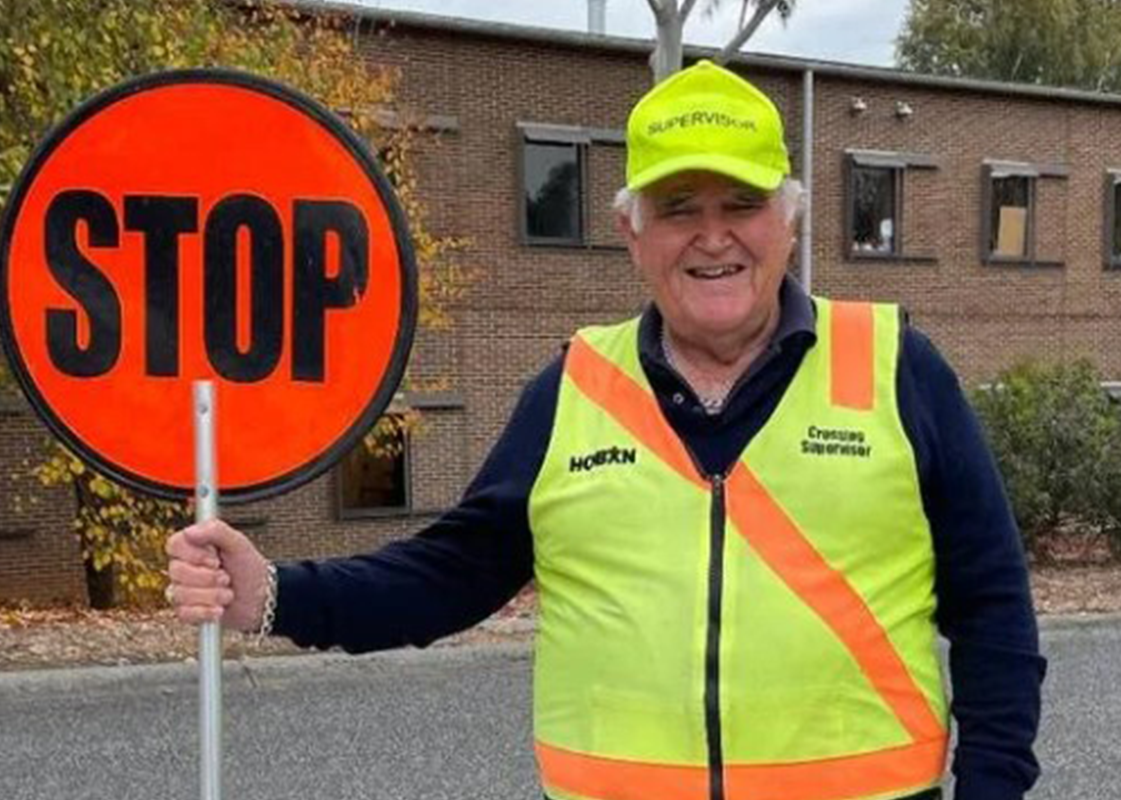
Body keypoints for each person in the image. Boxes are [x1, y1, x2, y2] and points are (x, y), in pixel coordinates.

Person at [166, 61, 1044, 800]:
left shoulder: (895, 367)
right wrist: (275, 594)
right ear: (632, 232)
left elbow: (994, 608)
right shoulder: (575, 386)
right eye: (676, 207)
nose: (712, 236)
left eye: (740, 202)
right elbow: (451, 574)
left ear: (789, 220)